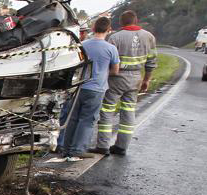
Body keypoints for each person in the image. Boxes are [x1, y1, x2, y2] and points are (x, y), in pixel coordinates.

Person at [93, 10, 157, 156]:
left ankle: (103, 145)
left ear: (121, 22)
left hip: (116, 78)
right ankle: (122, 146)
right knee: (128, 111)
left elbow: (106, 59)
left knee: (107, 111)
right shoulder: (149, 37)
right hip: (136, 78)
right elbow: (152, 61)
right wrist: (146, 79)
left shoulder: (115, 37)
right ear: (136, 20)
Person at [58, 16, 120, 160]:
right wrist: (104, 72)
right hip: (96, 88)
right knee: (87, 120)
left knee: (72, 119)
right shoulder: (111, 49)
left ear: (93, 28)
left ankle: (65, 148)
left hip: (78, 87)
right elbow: (115, 71)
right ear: (108, 30)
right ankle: (77, 150)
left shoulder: (83, 45)